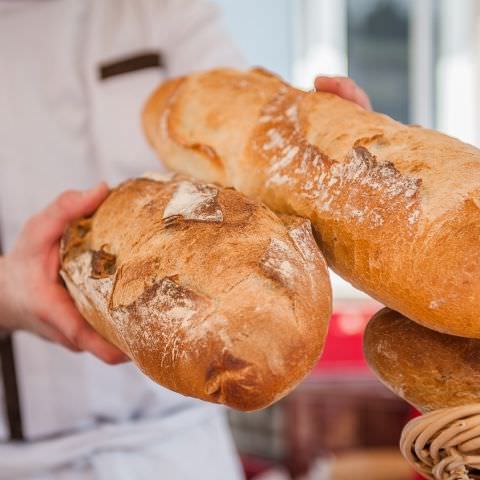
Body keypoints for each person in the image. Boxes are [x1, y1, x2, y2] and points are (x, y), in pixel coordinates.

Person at [0, 0, 371, 478]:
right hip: (21, 461)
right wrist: (10, 294)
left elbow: (249, 138)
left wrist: (311, 157)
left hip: (183, 444)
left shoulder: (161, 10)